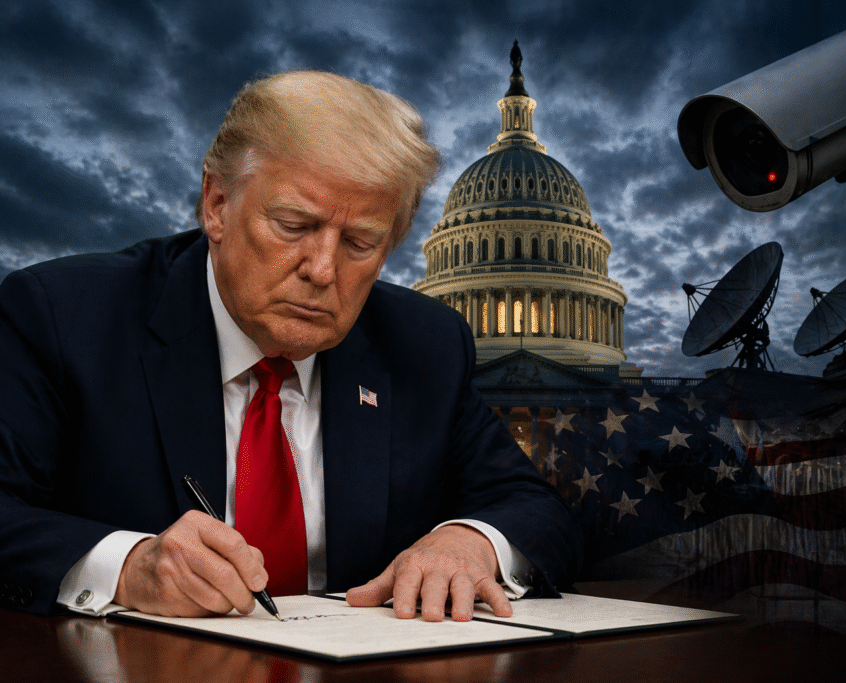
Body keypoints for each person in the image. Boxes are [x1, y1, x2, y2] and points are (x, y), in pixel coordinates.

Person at [0, 71, 582, 620]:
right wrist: (124, 566)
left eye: (360, 242)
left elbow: (536, 510)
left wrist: (470, 541)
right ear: (217, 205)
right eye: (294, 226)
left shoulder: (424, 344)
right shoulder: (64, 317)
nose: (323, 270)